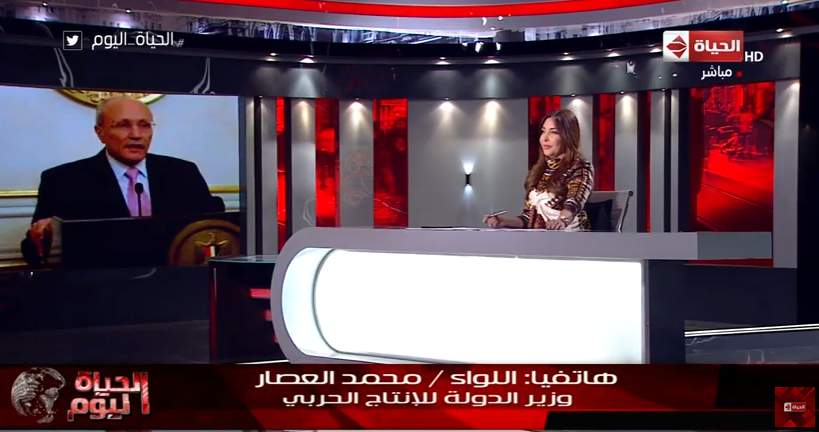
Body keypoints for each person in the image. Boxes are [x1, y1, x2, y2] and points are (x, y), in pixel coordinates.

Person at [21, 96, 224, 265]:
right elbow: (32, 253)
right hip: (98, 292)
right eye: (123, 125)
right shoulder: (62, 180)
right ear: (100, 133)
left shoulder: (183, 173)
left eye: (144, 125)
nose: (136, 135)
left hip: (173, 287)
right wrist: (43, 238)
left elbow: (212, 230)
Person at [483, 109, 594, 231]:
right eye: (543, 131)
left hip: (571, 236)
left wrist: (562, 220)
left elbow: (574, 201)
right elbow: (528, 218)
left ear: (568, 137)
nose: (545, 138)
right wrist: (504, 222)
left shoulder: (580, 166)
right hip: (538, 237)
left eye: (554, 132)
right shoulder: (537, 171)